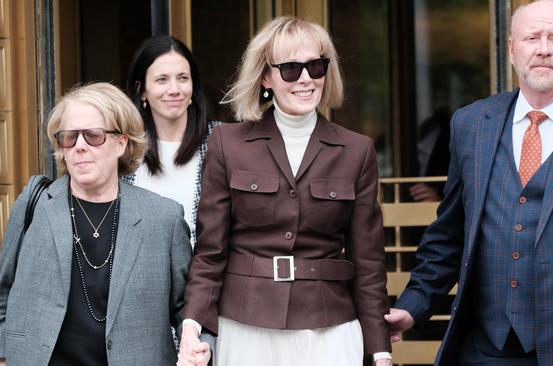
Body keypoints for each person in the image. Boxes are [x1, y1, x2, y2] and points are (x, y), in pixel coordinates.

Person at [385, 0, 553, 365]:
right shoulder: (471, 125)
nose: (543, 48)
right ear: (511, 49)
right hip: (488, 349)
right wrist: (412, 307)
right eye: (531, 37)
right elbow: (449, 236)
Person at [178, 16, 392, 366]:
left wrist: (380, 351)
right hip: (246, 325)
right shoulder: (227, 144)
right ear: (266, 77)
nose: (306, 79)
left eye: (316, 66)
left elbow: (368, 262)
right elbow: (209, 253)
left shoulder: (357, 150)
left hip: (329, 328)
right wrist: (192, 326)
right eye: (291, 69)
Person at [0, 82, 209, 365]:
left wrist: (197, 345)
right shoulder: (34, 205)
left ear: (121, 143)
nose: (80, 147)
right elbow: (3, 291)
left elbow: (189, 306)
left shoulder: (163, 218)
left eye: (93, 136)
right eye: (69, 137)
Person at [125, 35, 220, 247]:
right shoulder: (124, 149)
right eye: (162, 80)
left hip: (206, 275)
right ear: (141, 90)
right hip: (147, 274)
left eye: (183, 78)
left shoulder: (222, 140)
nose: (174, 89)